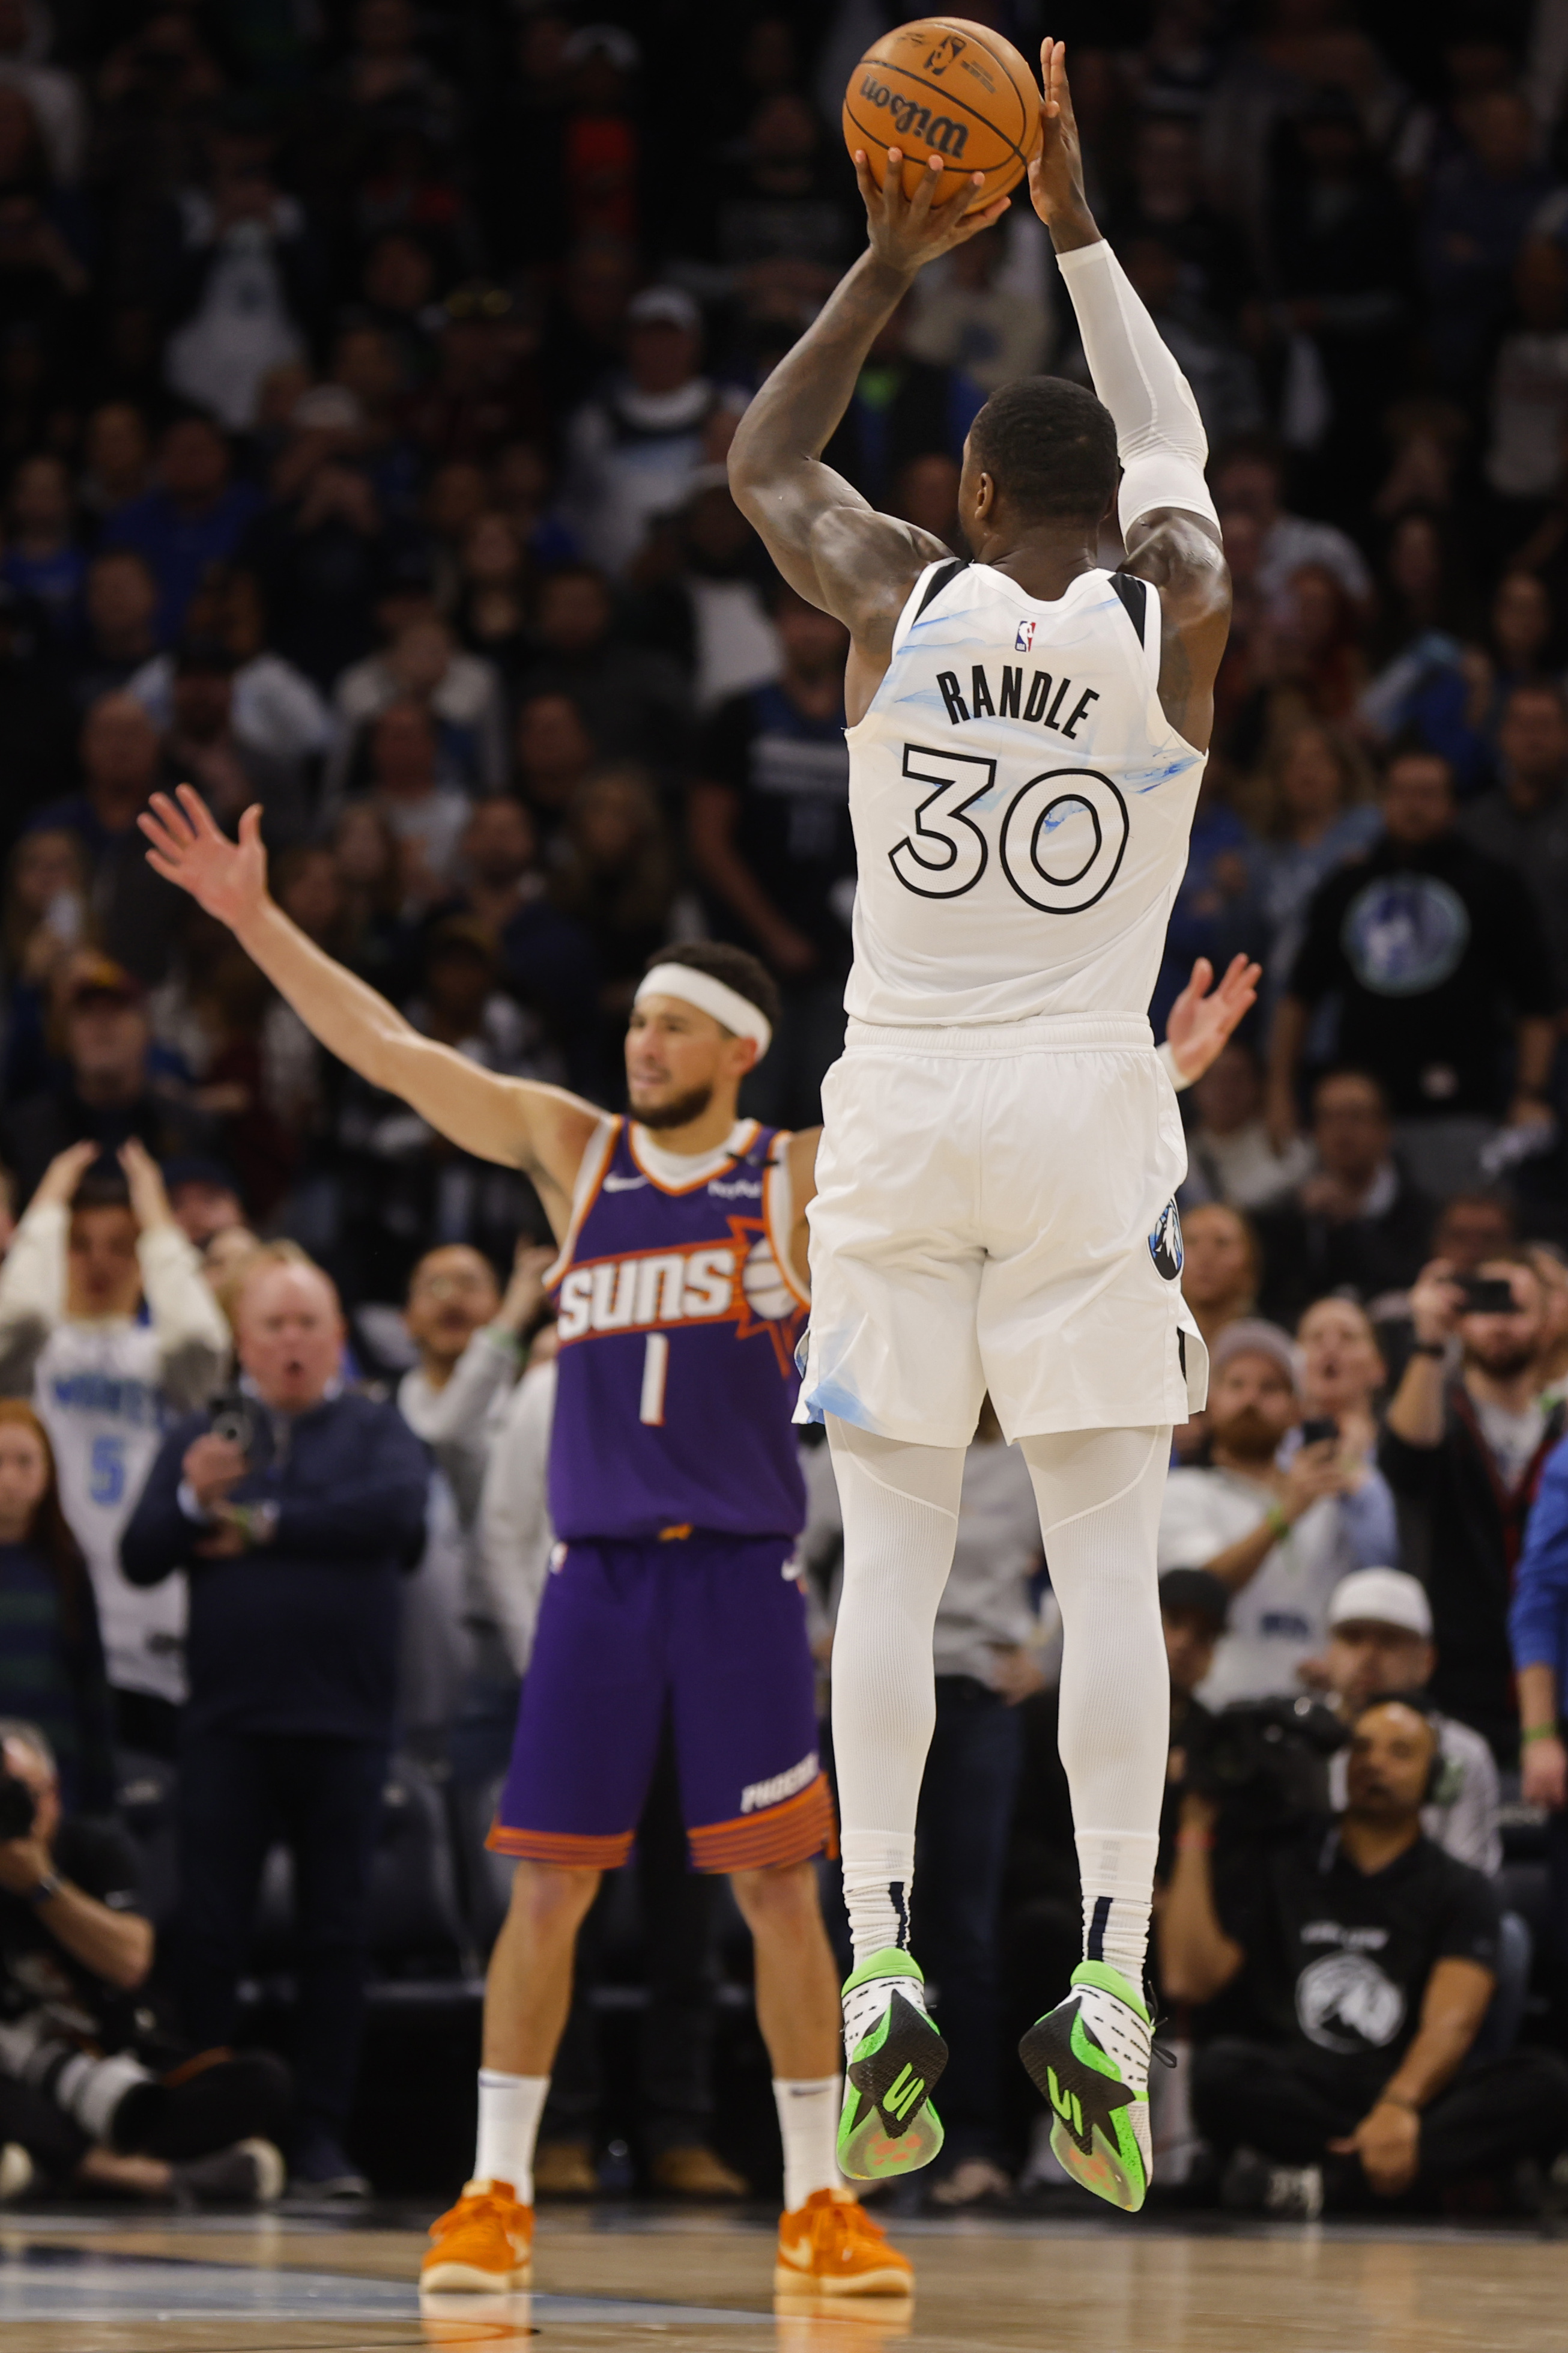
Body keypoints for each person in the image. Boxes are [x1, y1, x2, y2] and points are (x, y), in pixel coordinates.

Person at [127, 775, 916, 2298]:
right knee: (546, 1886)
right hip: (598, 1579)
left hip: (740, 1575)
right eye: (636, 1022)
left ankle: (820, 2196)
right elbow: (390, 1047)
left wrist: (1152, 1071)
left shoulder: (796, 1172)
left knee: (776, 1891)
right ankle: (495, 2190)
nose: (642, 1043)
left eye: (672, 1025)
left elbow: (962, 1127)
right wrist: (255, 920)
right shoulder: (575, 1150)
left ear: (739, 1048)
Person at [724, 40, 1230, 2212]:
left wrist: (884, 261)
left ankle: (881, 1968)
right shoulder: (1170, 612)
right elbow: (1175, 453)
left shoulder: (893, 598)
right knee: (1105, 1565)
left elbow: (763, 460)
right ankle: (1106, 1982)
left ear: (960, 489)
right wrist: (1080, 233)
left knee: (894, 1560)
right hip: (1084, 1102)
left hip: (903, 1102)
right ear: (1100, 507)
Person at [119, 1248, 431, 2196]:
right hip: (227, 1725)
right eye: (273, 1325)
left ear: (337, 1337)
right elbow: (140, 1553)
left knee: (337, 1939)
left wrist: (256, 1523)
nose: (292, 1342)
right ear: (243, 1342)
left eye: (308, 1324)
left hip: (345, 1727)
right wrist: (192, 1497)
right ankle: (206, 2135)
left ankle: (322, 2140)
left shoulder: (378, 1428)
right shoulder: (201, 1436)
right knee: (210, 1934)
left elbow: (394, 1518)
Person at [1163, 1698, 1568, 2215]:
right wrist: (1195, 1828)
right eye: (1361, 1748)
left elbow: (1453, 2022)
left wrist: (1398, 2106)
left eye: (1400, 1752)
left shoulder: (1460, 1887)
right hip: (1305, 2085)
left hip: (1410, 2091)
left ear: (1435, 1778)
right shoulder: (1282, 1859)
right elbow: (1188, 1980)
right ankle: (1431, 2183)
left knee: (1546, 2084)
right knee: (1220, 2072)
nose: (1374, 1762)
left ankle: (1315, 2184)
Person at [0, 1722, 291, 2207]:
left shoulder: (95, 1847)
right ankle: (159, 2178)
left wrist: (41, 1885)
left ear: (52, 1795)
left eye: (17, 1796)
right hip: (26, 2074)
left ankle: (55, 2169)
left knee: (265, 2080)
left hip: (127, 2071)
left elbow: (130, 1963)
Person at [0, 1140, 229, 1754]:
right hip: (46, 1622)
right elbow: (21, 1313)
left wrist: (157, 1217)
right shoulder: (31, 1357)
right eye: (80, 1244)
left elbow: (202, 1336)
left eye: (121, 1245)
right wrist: (48, 1203)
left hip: (151, 1626)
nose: (99, 1262)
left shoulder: (166, 1360)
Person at [1266, 747, 1559, 1201]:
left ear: (1453, 804)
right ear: (1383, 800)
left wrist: (1530, 1092)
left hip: (1462, 1107)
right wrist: (1279, 1091)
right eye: (1401, 792)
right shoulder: (1348, 885)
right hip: (1359, 1112)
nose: (1413, 806)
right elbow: (1298, 997)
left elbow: (1535, 1002)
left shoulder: (1493, 884)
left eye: (1427, 794)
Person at [1381, 1252, 1563, 1764]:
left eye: (1515, 1307)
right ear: (1461, 1316)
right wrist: (1429, 1340)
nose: (1499, 1323)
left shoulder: (1561, 1424)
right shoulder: (1439, 1408)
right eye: (1485, 1305)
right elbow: (1405, 1462)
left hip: (1551, 1681)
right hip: (1451, 1683)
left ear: (1547, 1320)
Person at [1158, 1319, 1397, 1707]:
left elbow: (1366, 1594)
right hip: (1213, 1705)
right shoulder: (1180, 1492)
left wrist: (1342, 1661)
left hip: (1311, 1712)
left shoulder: (1329, 1505)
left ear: (1297, 1410)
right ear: (1210, 1402)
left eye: (1270, 1387)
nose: (1251, 1398)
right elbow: (1196, 1588)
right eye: (1236, 1384)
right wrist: (1285, 1513)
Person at [689, 586, 855, 1129]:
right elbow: (709, 839)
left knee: (829, 1116)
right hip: (752, 950)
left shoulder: (872, 716)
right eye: (796, 615)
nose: (808, 630)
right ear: (776, 623)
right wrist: (772, 932)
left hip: (846, 950)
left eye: (821, 616)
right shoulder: (738, 715)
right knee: (748, 1114)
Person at [1312, 1569, 1501, 1877]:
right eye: (1353, 1638)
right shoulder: (1298, 1741)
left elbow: (1472, 1881)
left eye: (1389, 1642)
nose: (1368, 1656)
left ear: (1426, 1661)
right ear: (1328, 1652)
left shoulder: (1463, 1753)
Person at [0, 1402, 113, 1813]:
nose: (9, 1478)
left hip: (53, 1782)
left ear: (48, 1473)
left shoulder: (66, 1567)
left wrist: (101, 1799)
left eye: (25, 1462)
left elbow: (91, 1684)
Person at [1255, 1070, 1435, 1325]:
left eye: (1356, 1117)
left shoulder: (1422, 1211)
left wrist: (1354, 1223)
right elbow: (1277, 1296)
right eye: (1329, 1118)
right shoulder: (1291, 1209)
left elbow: (1410, 1281)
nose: (1342, 1131)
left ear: (1386, 1130)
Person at [1179, 1040, 1313, 1215]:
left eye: (1236, 1078)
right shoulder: (1178, 1150)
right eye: (1215, 1079)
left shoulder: (1281, 1142)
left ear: (1257, 1086)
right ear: (1195, 1087)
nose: (1225, 1089)